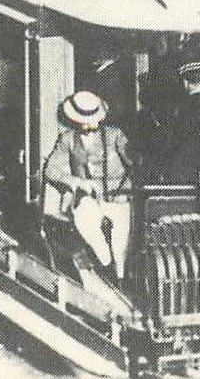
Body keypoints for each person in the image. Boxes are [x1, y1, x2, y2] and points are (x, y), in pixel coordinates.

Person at [43, 91, 132, 279]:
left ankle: (121, 276)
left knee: (120, 238)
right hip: (87, 197)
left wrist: (133, 158)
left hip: (118, 195)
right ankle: (105, 264)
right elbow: (50, 170)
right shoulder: (68, 139)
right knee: (84, 218)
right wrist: (77, 182)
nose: (90, 124)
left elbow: (134, 161)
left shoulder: (115, 135)